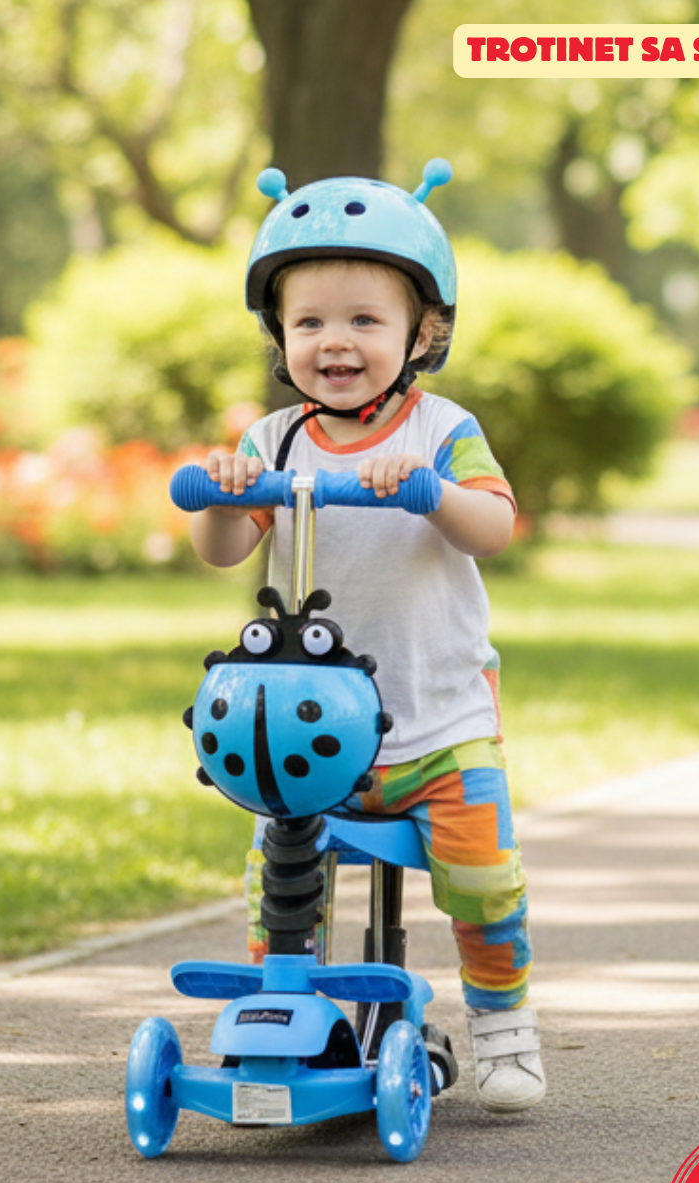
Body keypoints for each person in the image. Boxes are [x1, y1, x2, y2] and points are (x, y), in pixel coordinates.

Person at [189, 159, 546, 1113]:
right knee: (283, 886)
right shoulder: (274, 441)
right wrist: (223, 495)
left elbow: (495, 526)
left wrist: (436, 496)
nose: (334, 342)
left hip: (440, 723)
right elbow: (223, 550)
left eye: (364, 321)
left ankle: (503, 1024)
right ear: (278, 335)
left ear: (422, 333)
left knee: (483, 881)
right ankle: (284, 1015)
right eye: (308, 322)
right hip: (311, 731)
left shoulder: (443, 431)